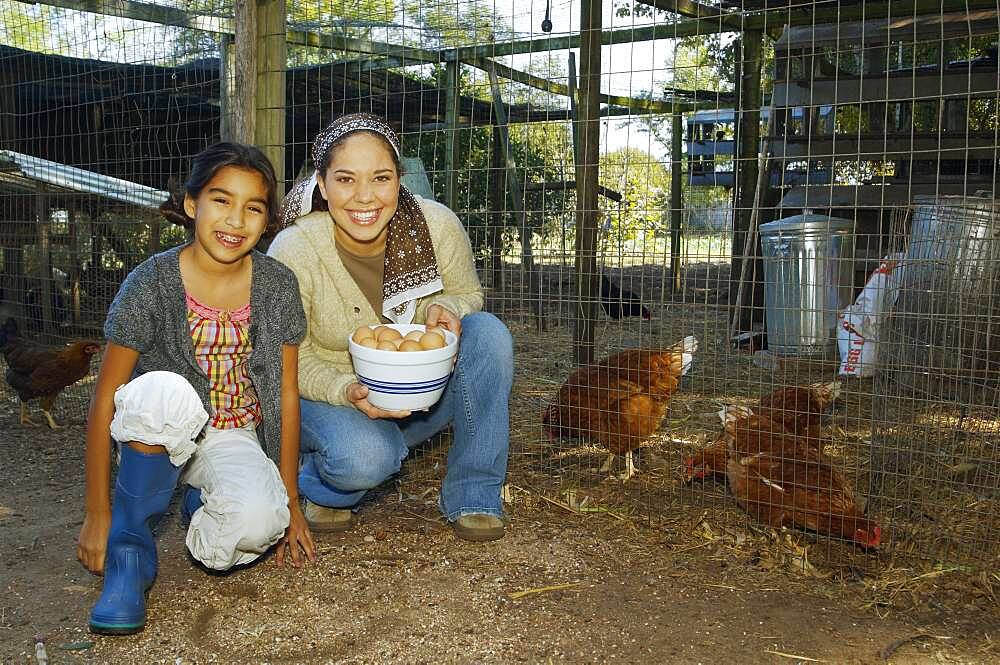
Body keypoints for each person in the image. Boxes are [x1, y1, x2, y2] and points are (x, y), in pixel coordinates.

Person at [76, 143, 315, 636]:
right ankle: (128, 557)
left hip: (231, 434)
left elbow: (286, 396)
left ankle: (201, 503)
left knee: (256, 524)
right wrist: (96, 514)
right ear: (192, 205)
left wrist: (290, 504)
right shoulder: (151, 282)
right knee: (162, 389)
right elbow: (106, 398)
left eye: (253, 207)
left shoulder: (276, 285)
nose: (235, 220)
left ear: (267, 220)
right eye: (221, 200)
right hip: (158, 431)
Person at [268, 113, 512, 542]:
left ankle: (475, 493)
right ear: (322, 186)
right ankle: (324, 480)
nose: (365, 197)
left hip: (422, 395)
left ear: (400, 179)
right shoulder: (296, 249)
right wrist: (347, 390)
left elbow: (468, 294)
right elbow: (288, 357)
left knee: (489, 334)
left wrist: (447, 306)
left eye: (380, 178)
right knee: (363, 460)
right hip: (330, 398)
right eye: (345, 180)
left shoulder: (437, 226)